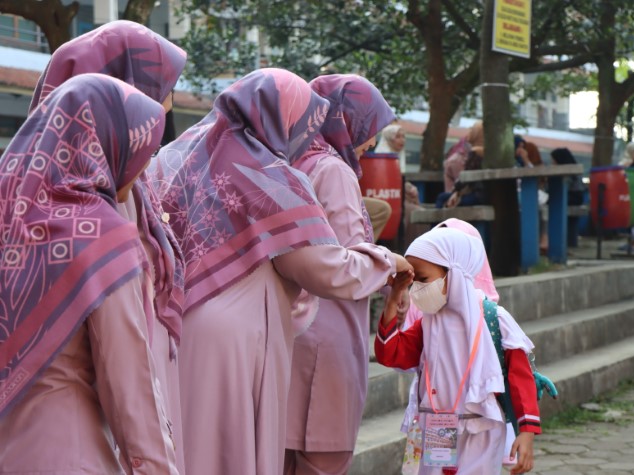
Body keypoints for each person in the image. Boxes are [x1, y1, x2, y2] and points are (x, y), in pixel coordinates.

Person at [151, 68, 412, 474]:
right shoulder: (267, 175)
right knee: (231, 453)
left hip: (185, 322)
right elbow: (323, 268)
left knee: (195, 449)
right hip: (239, 334)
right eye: (304, 120)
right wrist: (386, 262)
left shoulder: (190, 160)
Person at [28, 20, 188, 469]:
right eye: (158, 90)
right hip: (90, 429)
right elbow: (122, 370)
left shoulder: (24, 197)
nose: (169, 102)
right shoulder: (98, 218)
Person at [283, 74, 395, 474]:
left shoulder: (291, 158)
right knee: (323, 457)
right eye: (370, 132)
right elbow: (350, 256)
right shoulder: (333, 170)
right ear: (348, 122)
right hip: (327, 331)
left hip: (289, 326)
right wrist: (392, 265)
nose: (370, 143)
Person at [375, 227, 540, 474]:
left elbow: (520, 376)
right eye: (413, 282)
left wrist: (526, 432)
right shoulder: (427, 323)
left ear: (453, 273)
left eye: (423, 279)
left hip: (482, 429)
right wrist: (393, 298)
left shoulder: (494, 319)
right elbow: (390, 354)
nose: (417, 288)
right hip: (438, 426)